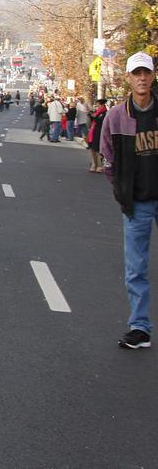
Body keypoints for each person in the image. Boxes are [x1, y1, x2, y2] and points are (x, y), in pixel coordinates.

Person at [101, 51, 158, 349]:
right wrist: (122, 190)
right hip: (137, 203)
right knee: (136, 268)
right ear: (128, 78)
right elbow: (108, 158)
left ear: (153, 75)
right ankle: (140, 327)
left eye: (146, 73)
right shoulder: (116, 117)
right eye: (136, 73)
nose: (142, 78)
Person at [87, 98, 108, 172]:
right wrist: (90, 116)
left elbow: (100, 122)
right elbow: (93, 121)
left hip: (99, 132)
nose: (97, 106)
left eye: (98, 105)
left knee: (97, 149)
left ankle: (99, 165)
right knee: (92, 148)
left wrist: (94, 117)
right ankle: (93, 164)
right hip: (93, 132)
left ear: (102, 105)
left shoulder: (105, 113)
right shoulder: (97, 112)